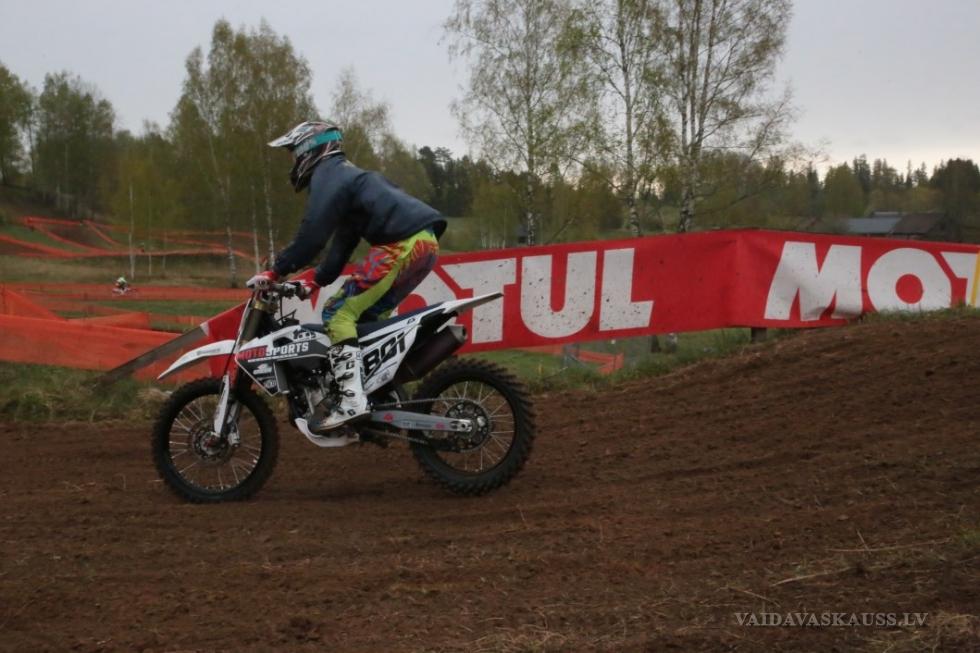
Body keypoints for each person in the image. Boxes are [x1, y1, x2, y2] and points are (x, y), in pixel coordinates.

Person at [247, 121, 446, 431]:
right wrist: (317, 280)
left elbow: (313, 233)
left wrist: (276, 269)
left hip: (400, 244)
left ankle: (352, 401)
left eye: (293, 154)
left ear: (308, 149)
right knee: (366, 319)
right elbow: (344, 241)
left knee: (336, 312)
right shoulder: (347, 177)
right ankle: (380, 395)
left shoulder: (329, 175)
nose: (293, 161)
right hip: (425, 244)